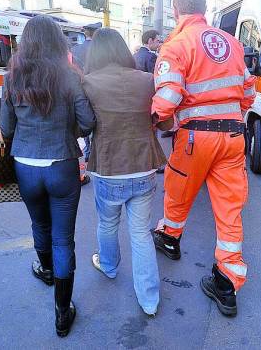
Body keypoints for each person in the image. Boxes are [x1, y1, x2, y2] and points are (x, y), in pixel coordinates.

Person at [151, 0, 256, 317]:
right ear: (205, 7)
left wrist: (152, 120)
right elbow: (249, 91)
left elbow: (167, 100)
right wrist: (232, 116)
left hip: (196, 138)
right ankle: (226, 284)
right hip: (233, 138)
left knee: (178, 190)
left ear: (175, 9)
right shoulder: (232, 44)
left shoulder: (177, 44)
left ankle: (170, 239)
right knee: (229, 210)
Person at [0, 15, 95, 337]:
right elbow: (88, 121)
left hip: (25, 164)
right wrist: (69, 133)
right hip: (62, 163)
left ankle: (45, 270)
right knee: (63, 237)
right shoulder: (69, 75)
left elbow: (8, 128)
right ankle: (61, 311)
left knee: (39, 224)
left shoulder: (12, 75)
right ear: (58, 42)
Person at [82, 28, 167, 317]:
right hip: (144, 166)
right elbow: (162, 120)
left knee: (107, 224)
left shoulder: (88, 83)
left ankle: (108, 267)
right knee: (141, 233)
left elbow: (84, 125)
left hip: (108, 167)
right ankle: (149, 300)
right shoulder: (147, 80)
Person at [72, 22, 101, 164]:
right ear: (96, 33)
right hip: (97, 88)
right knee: (97, 119)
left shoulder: (75, 49)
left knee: (85, 118)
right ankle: (94, 150)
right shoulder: (100, 48)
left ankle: (88, 151)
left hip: (81, 89)